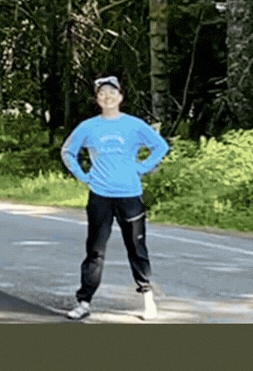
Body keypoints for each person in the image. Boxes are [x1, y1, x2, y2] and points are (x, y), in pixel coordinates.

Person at [60, 75, 170, 321]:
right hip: (100, 195)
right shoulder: (88, 127)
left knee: (136, 248)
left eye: (112, 92)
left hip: (130, 194)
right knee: (95, 250)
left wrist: (143, 167)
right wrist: (83, 175)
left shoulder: (134, 125)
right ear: (97, 99)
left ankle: (147, 299)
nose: (107, 97)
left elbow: (160, 146)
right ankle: (84, 301)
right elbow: (68, 151)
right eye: (102, 94)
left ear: (120, 97)